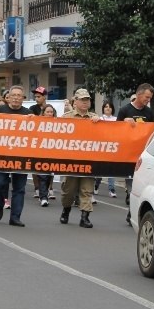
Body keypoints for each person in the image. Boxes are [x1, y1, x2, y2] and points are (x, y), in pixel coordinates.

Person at [117, 83, 154, 225]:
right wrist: (124, 123)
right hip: (129, 156)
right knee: (131, 188)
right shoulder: (125, 110)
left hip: (143, 157)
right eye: (147, 97)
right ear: (139, 94)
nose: (148, 100)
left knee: (140, 188)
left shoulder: (149, 112)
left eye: (150, 98)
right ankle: (132, 213)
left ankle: (131, 214)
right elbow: (115, 131)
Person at [0, 85, 33, 227]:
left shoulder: (28, 114)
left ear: (23, 98)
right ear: (8, 97)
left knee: (19, 188)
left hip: (21, 157)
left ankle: (15, 217)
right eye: (13, 95)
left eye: (19, 95)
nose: (16, 97)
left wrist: (35, 121)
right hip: (2, 156)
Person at [59, 88, 100, 228]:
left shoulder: (95, 118)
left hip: (89, 160)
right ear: (75, 101)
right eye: (82, 100)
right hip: (71, 160)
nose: (85, 102)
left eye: (87, 99)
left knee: (87, 189)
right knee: (69, 190)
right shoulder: (66, 117)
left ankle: (85, 217)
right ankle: (66, 210)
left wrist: (99, 123)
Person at [34, 104, 57, 206]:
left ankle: (45, 193)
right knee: (42, 176)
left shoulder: (58, 124)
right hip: (40, 153)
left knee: (48, 176)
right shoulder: (37, 123)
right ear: (43, 113)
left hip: (52, 154)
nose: (49, 113)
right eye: (47, 111)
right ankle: (43, 197)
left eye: (51, 112)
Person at [94, 101, 118, 199]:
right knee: (101, 169)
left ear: (112, 109)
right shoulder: (99, 119)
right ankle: (96, 184)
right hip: (102, 147)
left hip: (113, 147)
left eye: (110, 107)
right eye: (106, 107)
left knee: (111, 169)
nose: (108, 108)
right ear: (103, 108)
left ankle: (111, 189)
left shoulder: (116, 120)